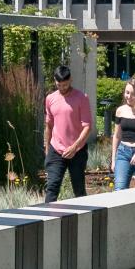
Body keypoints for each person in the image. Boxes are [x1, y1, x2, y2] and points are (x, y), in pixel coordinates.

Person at [42, 65, 93, 202]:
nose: (62, 88)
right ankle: (48, 219)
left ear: (71, 80)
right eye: (59, 85)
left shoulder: (82, 98)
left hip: (77, 151)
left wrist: (74, 147)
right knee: (52, 187)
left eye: (65, 84)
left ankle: (84, 218)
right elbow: (49, 124)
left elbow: (87, 126)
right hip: (56, 149)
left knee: (78, 189)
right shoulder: (50, 98)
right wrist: (47, 148)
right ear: (55, 81)